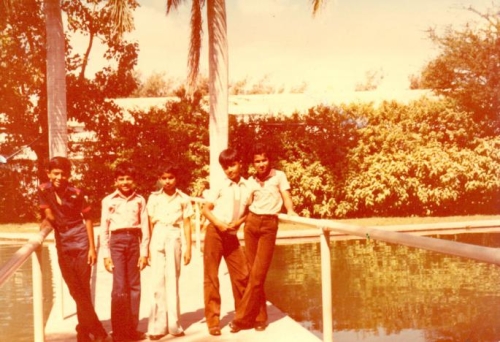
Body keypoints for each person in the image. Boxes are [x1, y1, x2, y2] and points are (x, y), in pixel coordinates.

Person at [229, 143, 297, 333]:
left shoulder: (279, 176)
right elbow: (246, 204)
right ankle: (260, 318)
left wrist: (290, 210)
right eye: (257, 161)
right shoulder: (250, 181)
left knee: (258, 275)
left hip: (268, 225)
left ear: (270, 160)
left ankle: (240, 319)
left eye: (264, 160)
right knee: (253, 273)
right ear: (253, 163)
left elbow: (286, 196)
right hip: (251, 225)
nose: (261, 164)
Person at [38, 156, 107, 342]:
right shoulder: (43, 190)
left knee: (82, 288)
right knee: (74, 289)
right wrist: (44, 225)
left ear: (68, 175)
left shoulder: (77, 192)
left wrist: (92, 248)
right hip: (63, 244)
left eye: (63, 174)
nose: (59, 177)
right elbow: (47, 214)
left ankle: (84, 333)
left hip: (81, 242)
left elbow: (89, 219)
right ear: (49, 173)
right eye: (55, 173)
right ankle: (94, 329)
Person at [202, 148, 251, 336]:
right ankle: (213, 322)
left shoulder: (248, 186)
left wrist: (237, 223)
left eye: (232, 165)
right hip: (215, 232)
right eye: (225, 167)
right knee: (211, 278)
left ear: (240, 163)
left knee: (242, 275)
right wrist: (219, 224)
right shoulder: (220, 186)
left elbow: (248, 211)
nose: (229, 170)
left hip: (231, 234)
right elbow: (206, 209)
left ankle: (241, 317)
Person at [100, 162, 150, 342]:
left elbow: (145, 227)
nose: (125, 182)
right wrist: (106, 255)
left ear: (134, 181)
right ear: (115, 181)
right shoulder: (108, 201)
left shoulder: (140, 200)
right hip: (117, 242)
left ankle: (132, 329)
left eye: (129, 179)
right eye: (121, 179)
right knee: (120, 287)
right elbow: (104, 229)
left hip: (134, 241)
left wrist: (144, 252)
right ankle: (119, 331)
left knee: (134, 287)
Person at [146, 163, 193, 340]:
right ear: (159, 179)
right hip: (158, 233)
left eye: (170, 178)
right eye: (164, 178)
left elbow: (187, 223)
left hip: (174, 234)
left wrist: (188, 247)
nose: (167, 181)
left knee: (172, 279)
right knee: (157, 281)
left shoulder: (183, 198)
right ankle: (158, 327)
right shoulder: (154, 198)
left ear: (176, 178)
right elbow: (150, 223)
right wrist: (149, 247)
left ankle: (174, 325)